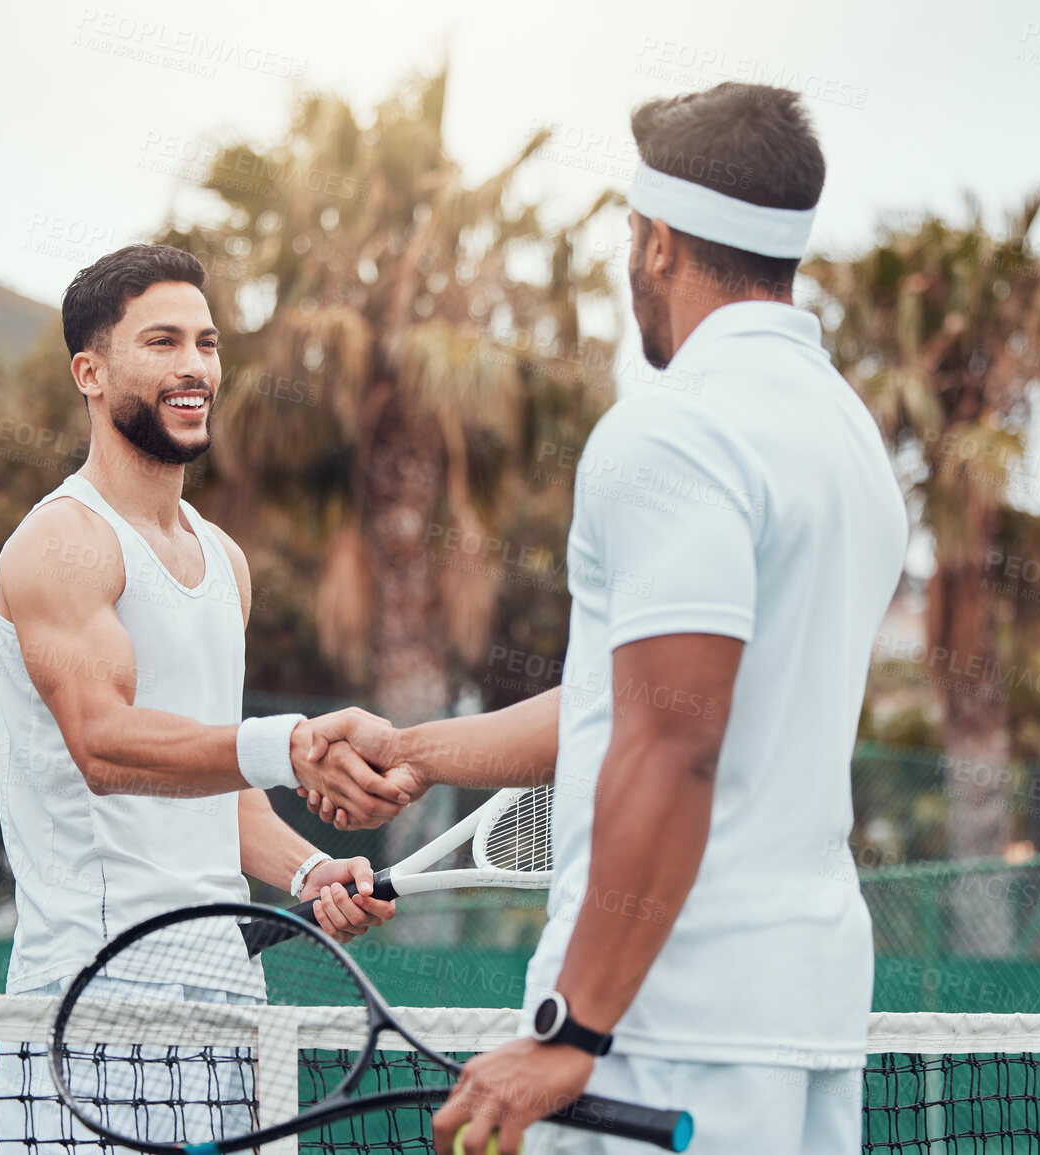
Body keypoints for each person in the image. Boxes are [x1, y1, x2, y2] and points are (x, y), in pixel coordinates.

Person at [305, 83, 908, 1155]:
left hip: (661, 1025)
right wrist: (414, 747)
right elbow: (635, 699)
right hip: (803, 1015)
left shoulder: (673, 435)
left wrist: (573, 1026)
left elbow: (674, 742)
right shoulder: (850, 441)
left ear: (659, 243)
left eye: (631, 237)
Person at [0, 244, 407, 1146]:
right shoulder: (61, 542)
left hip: (228, 998)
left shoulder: (225, 561)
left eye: (207, 344)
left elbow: (211, 778)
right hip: (94, 1001)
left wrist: (305, 868)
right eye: (163, 341)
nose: (194, 368)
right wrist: (283, 744)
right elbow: (105, 745)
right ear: (89, 373)